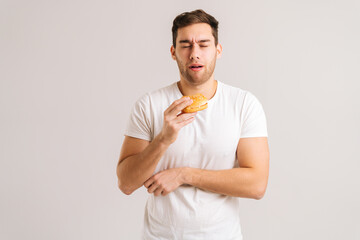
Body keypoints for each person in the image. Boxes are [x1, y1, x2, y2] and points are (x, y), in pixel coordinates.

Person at [117, 9, 269, 240]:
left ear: (218, 50)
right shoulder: (149, 105)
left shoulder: (244, 104)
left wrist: (184, 175)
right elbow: (126, 183)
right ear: (173, 52)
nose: (194, 53)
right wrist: (163, 139)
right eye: (185, 45)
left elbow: (257, 185)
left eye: (204, 44)